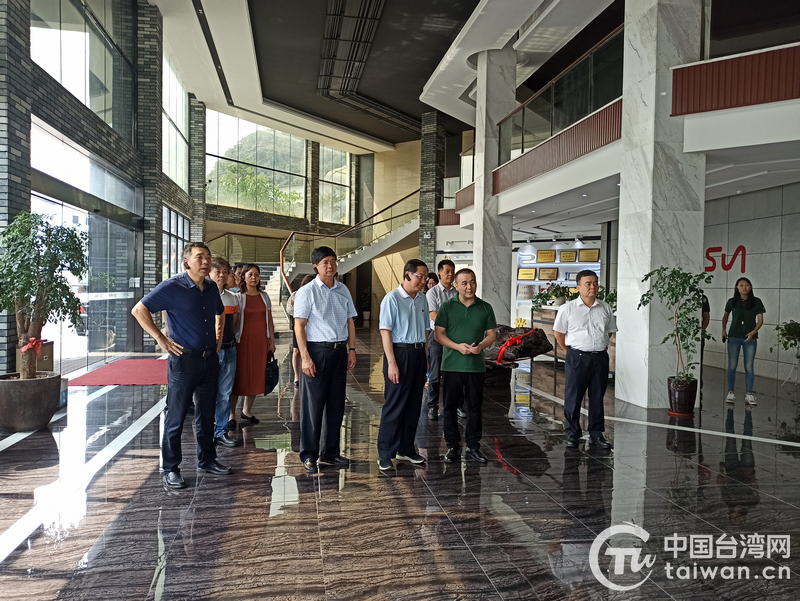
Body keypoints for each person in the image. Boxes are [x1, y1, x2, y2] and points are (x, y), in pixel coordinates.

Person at [131, 242, 231, 489]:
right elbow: (139, 310)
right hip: (183, 361)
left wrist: (218, 338)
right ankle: (171, 468)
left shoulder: (211, 287)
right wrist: (160, 338)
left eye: (208, 257)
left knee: (206, 415)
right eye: (200, 257)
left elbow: (220, 312)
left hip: (209, 360)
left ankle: (207, 459)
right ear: (186, 262)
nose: (205, 261)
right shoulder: (172, 286)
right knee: (175, 417)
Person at [294, 246, 357, 473]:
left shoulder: (343, 289)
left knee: (336, 404)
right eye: (325, 263)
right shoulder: (307, 291)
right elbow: (299, 326)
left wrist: (352, 349)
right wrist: (305, 358)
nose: (330, 266)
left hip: (339, 351)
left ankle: (330, 452)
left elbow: (350, 321)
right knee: (313, 406)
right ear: (316, 267)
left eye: (333, 261)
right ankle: (309, 455)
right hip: (317, 352)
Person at [435, 268, 497, 464]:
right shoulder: (447, 307)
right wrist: (458, 347)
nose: (469, 286)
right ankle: (452, 446)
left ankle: (473, 446)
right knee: (450, 408)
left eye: (472, 282)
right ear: (456, 285)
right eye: (464, 283)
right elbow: (438, 334)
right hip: (451, 365)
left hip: (475, 367)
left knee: (475, 407)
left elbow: (492, 335)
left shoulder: (485, 307)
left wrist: (480, 346)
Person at [553, 270, 617, 450]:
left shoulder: (605, 308)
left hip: (600, 358)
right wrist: (570, 351)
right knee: (573, 396)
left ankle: (596, 434)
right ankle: (572, 433)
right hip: (577, 357)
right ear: (578, 287)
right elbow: (558, 333)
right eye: (588, 284)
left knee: (597, 397)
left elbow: (609, 331)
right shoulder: (567, 309)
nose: (593, 287)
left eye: (595, 283)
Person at [376, 259, 430, 471]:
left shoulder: (423, 299)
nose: (423, 281)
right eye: (420, 276)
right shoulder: (392, 298)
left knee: (414, 404)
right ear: (407, 274)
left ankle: (406, 449)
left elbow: (426, 330)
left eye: (425, 277)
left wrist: (426, 357)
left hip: (418, 354)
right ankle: (385, 453)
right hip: (399, 353)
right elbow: (385, 332)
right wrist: (391, 363)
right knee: (395, 405)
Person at [231, 264, 276, 425]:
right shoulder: (238, 297)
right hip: (242, 342)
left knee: (257, 375)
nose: (254, 278)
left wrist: (271, 340)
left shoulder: (264, 296)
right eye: (250, 274)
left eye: (256, 274)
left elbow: (269, 320)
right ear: (243, 277)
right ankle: (231, 414)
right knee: (239, 376)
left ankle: (247, 411)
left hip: (261, 342)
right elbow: (235, 321)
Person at [209, 256, 240, 447]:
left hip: (229, 349)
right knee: (207, 392)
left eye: (225, 272)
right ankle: (206, 430)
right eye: (217, 271)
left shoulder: (232, 297)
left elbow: (234, 324)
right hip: (209, 352)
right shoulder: (202, 295)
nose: (221, 275)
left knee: (225, 393)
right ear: (209, 273)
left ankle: (221, 431)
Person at [722, 277, 765, 405]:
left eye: (747, 285)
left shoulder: (757, 301)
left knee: (749, 366)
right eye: (741, 285)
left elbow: (760, 320)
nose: (744, 287)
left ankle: (749, 394)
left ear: (750, 287)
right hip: (734, 336)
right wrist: (723, 330)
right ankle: (730, 392)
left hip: (750, 338)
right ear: (737, 287)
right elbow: (725, 316)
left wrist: (753, 332)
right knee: (732, 365)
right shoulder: (732, 301)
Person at [425, 259, 457, 421]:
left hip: (455, 337)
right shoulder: (432, 292)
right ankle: (432, 406)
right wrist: (453, 323)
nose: (450, 274)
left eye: (452, 271)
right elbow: (433, 315)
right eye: (447, 271)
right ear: (439, 273)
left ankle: (457, 405)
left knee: (455, 373)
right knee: (435, 374)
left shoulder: (457, 293)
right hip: (437, 336)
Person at [286, 274, 315, 388]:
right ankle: (296, 375)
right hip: (299, 325)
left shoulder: (316, 294)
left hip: (311, 326)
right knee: (296, 350)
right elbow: (290, 310)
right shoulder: (296, 294)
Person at [700, 293, 710, 397]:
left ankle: (699, 383)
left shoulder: (702, 297)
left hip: (698, 335)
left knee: (699, 360)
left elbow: (706, 317)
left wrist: (701, 331)